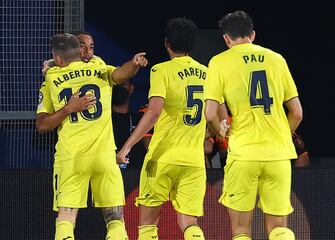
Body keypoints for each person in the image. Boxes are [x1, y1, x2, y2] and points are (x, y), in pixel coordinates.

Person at [36, 33, 146, 240]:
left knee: (66, 218)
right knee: (115, 218)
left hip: (71, 159)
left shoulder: (50, 78)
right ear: (77, 50)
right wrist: (134, 63)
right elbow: (121, 74)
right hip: (104, 157)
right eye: (83, 46)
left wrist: (67, 109)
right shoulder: (99, 68)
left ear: (58, 58)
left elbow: (41, 125)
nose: (88, 51)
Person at [204, 10, 302, 240]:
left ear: (226, 39)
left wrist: (221, 130)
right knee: (279, 229)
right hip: (278, 155)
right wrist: (281, 136)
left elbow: (209, 113)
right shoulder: (277, 59)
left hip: (243, 154)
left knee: (241, 230)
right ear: (253, 34)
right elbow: (297, 112)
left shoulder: (219, 62)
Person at [117, 18, 207, 240]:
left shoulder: (161, 70)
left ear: (167, 43)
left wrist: (126, 147)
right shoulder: (208, 73)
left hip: (162, 158)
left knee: (148, 223)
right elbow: (213, 114)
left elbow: (154, 112)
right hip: (194, 160)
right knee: (189, 223)